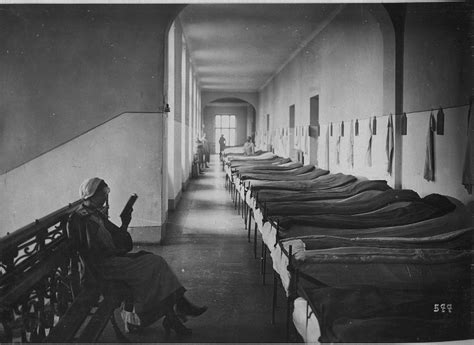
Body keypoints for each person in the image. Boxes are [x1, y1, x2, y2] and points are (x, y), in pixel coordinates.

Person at [71, 178, 207, 335]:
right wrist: (119, 251)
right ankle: (174, 311)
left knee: (155, 264)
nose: (105, 198)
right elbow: (94, 252)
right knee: (155, 265)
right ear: (91, 195)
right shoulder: (84, 218)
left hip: (110, 261)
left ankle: (173, 316)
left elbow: (119, 241)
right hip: (101, 268)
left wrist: (125, 223)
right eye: (103, 194)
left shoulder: (93, 213)